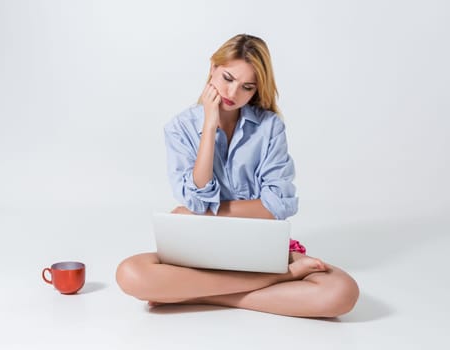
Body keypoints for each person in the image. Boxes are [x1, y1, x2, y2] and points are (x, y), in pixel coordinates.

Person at [116, 34, 359, 317]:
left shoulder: (270, 127)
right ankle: (279, 279)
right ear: (212, 69)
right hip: (200, 251)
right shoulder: (180, 128)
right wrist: (209, 126)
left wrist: (201, 216)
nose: (232, 93)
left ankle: (194, 295)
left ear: (257, 89)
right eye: (228, 78)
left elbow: (276, 206)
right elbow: (196, 201)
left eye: (247, 87)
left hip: (257, 248)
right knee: (130, 273)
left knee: (341, 291)